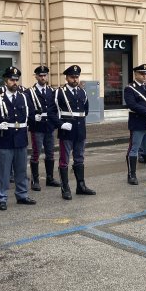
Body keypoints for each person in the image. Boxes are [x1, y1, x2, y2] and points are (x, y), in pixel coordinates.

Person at [0, 67, 38, 210]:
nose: (15, 82)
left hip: (21, 138)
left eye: (16, 80)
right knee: (3, 171)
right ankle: (1, 197)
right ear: (6, 81)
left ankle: (22, 195)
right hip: (5, 138)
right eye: (12, 80)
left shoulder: (24, 97)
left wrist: (29, 124)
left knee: (21, 170)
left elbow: (31, 114)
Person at [48, 65, 96, 200]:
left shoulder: (82, 92)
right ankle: (65, 188)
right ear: (67, 78)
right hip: (66, 131)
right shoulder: (59, 92)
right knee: (64, 160)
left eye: (76, 77)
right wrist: (61, 124)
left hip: (80, 130)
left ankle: (81, 186)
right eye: (72, 77)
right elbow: (51, 113)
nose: (75, 80)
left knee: (79, 158)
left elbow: (85, 110)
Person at [25, 65, 62, 191]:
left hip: (49, 126)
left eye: (45, 75)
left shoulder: (52, 91)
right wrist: (32, 118)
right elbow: (27, 109)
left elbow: (55, 109)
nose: (43, 77)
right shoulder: (29, 92)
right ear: (36, 76)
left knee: (50, 153)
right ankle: (35, 180)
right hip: (37, 126)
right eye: (40, 75)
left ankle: (50, 178)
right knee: (36, 153)